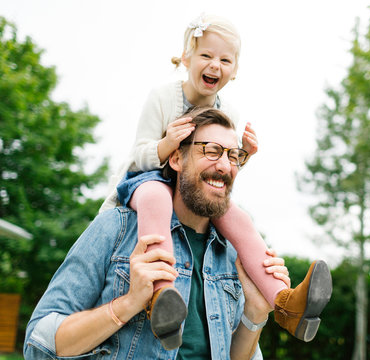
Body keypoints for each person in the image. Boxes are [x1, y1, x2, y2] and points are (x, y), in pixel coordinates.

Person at [100, 14, 332, 348]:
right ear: (186, 58)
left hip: (191, 190)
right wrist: (167, 145)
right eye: (206, 56)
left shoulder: (229, 113)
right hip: (149, 179)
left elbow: (215, 171)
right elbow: (138, 155)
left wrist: (244, 155)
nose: (215, 65)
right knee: (157, 197)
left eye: (225, 59)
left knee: (238, 216)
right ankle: (162, 295)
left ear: (234, 71)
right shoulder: (163, 97)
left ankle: (286, 303)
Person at [24, 108, 295, 359]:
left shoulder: (233, 254)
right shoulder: (116, 229)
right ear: (176, 158)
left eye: (233, 155)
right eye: (212, 151)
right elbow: (39, 342)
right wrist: (128, 303)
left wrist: (255, 313)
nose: (225, 166)